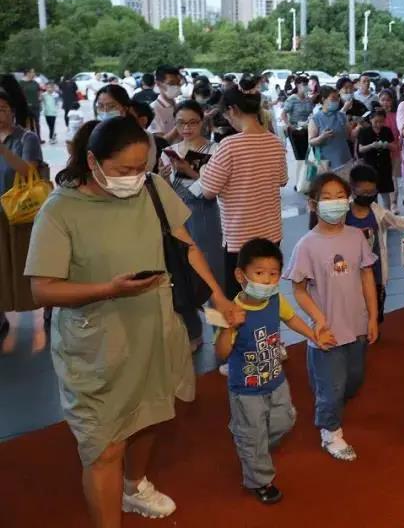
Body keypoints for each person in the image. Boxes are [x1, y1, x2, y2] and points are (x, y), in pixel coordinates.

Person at [25, 116, 239, 527]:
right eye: (124, 169)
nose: (135, 178)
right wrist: (109, 289)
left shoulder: (153, 188)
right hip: (97, 347)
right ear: (93, 161)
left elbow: (187, 247)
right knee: (104, 447)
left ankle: (134, 485)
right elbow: (43, 290)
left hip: (154, 329)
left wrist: (218, 295)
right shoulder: (60, 210)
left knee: (150, 415)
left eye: (142, 167)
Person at [217, 238, 328, 504]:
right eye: (259, 273)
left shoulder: (275, 299)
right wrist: (229, 328)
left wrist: (313, 335)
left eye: (273, 274)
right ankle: (260, 480)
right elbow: (221, 353)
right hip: (246, 389)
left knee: (284, 421)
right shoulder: (233, 312)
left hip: (276, 380)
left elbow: (291, 318)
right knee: (254, 437)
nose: (267, 280)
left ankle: (246, 435)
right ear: (240, 275)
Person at [286, 172, 379, 461]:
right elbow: (298, 289)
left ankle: (325, 394)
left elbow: (367, 277)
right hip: (327, 332)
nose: (335, 202)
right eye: (326, 198)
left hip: (357, 326)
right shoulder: (307, 245)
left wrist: (373, 316)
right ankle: (330, 431)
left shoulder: (356, 236)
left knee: (353, 380)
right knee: (333, 387)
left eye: (340, 196)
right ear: (313, 205)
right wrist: (319, 318)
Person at [200, 89, 289, 299]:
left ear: (232, 110)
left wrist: (203, 170)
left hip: (241, 238)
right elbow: (282, 180)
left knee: (241, 299)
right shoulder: (275, 142)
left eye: (226, 115)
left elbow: (208, 191)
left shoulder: (229, 145)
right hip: (271, 234)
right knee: (266, 292)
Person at [160, 99, 224, 347]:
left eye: (192, 123)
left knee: (211, 277)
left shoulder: (216, 150)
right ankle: (193, 332)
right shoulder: (169, 151)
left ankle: (220, 332)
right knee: (181, 276)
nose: (186, 128)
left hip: (206, 217)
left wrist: (191, 172)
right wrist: (164, 180)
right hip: (176, 219)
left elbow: (215, 190)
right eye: (181, 123)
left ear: (202, 122)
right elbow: (166, 193)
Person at [0, 89, 45, 353]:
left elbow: (28, 170)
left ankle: (46, 305)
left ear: (12, 111)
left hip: (20, 212)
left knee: (26, 263)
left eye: (2, 109)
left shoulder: (27, 138)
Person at [347, 164, 404, 323]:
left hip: (375, 271)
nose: (368, 196)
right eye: (363, 192)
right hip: (351, 272)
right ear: (353, 189)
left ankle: (374, 327)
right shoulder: (344, 213)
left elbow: (399, 222)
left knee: (376, 310)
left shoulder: (377, 211)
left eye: (372, 192)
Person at [356, 108, 396, 211]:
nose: (379, 124)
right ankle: (375, 216)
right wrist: (371, 146)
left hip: (384, 166)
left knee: (385, 193)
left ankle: (387, 214)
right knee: (372, 194)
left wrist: (387, 145)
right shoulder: (365, 131)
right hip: (370, 166)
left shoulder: (386, 130)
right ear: (370, 120)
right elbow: (360, 149)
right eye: (376, 122)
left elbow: (394, 147)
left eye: (381, 122)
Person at [309, 86, 355, 171]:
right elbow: (311, 142)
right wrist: (322, 137)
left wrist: (357, 127)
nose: (337, 101)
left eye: (337, 98)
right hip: (326, 162)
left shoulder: (342, 116)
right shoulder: (316, 118)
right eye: (333, 98)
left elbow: (349, 137)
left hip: (345, 159)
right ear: (323, 99)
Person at [283, 75, 315, 170]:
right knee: (299, 156)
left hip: (306, 129)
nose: (305, 86)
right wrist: (289, 125)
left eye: (306, 84)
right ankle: (300, 176)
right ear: (297, 85)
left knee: (306, 154)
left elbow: (311, 112)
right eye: (303, 84)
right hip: (295, 130)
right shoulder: (292, 99)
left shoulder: (308, 99)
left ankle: (305, 175)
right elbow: (283, 114)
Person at [149, 66, 183, 142]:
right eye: (171, 83)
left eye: (178, 83)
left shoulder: (178, 105)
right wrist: (180, 124)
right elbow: (159, 143)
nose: (176, 87)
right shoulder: (153, 109)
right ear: (158, 84)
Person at [19, 68, 41, 136]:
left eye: (34, 72)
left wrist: (39, 99)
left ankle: (38, 137)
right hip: (26, 107)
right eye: (32, 72)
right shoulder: (21, 83)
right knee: (26, 124)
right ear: (27, 73)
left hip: (35, 106)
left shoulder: (35, 83)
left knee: (37, 123)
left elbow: (39, 93)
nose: (34, 74)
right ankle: (25, 137)